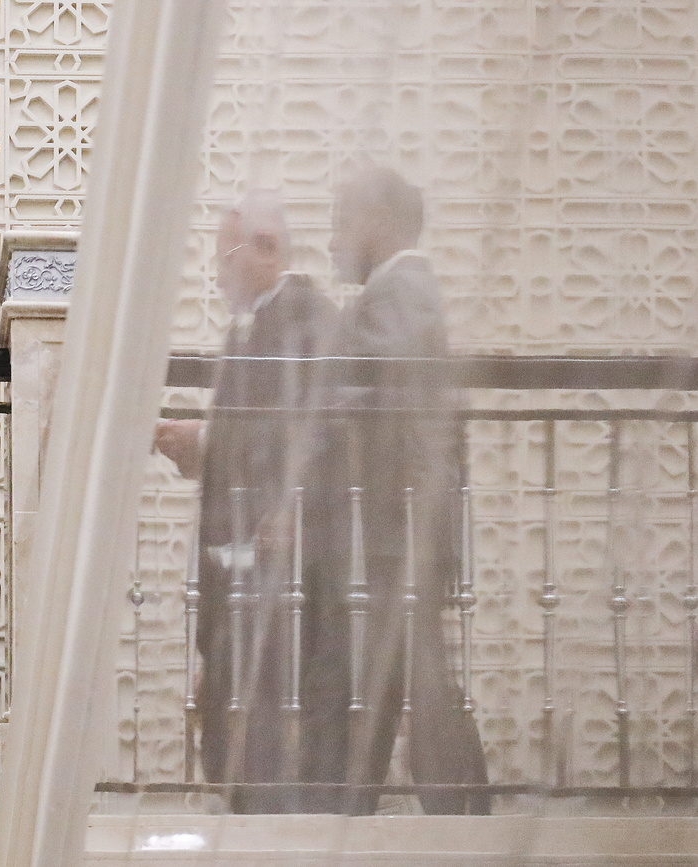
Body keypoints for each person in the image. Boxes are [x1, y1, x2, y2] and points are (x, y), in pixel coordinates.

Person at [304, 164, 490, 814]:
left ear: (379, 221)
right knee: (399, 675)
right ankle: (365, 808)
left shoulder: (399, 295)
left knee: (415, 676)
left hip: (402, 529)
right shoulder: (400, 293)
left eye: (342, 222)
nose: (333, 241)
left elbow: (353, 384)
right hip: (404, 528)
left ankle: (461, 816)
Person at [155, 189, 337, 813]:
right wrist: (200, 443)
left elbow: (312, 430)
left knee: (259, 739)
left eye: (225, 254)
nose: (217, 271)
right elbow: (256, 433)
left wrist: (289, 504)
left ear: (265, 250)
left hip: (276, 563)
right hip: (243, 563)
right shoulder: (258, 324)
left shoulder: (301, 318)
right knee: (236, 718)